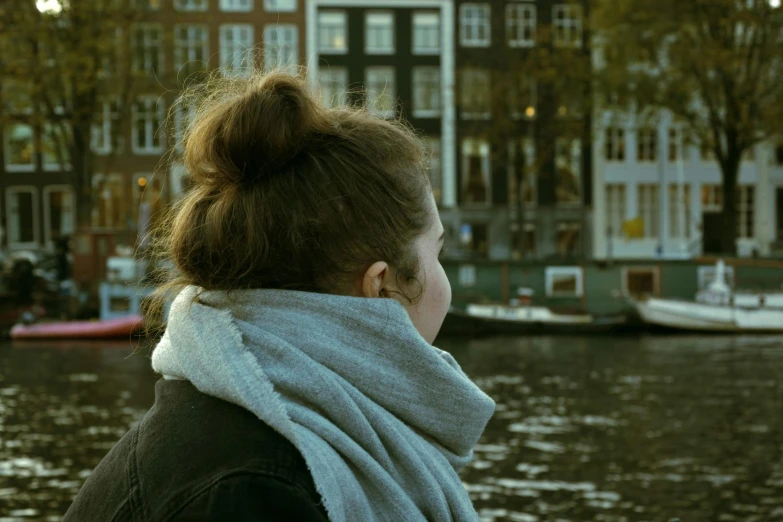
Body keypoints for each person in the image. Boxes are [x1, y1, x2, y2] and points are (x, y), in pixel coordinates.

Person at [62, 72, 495, 522]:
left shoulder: (239, 433)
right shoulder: (262, 492)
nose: (446, 280)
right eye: (437, 252)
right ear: (381, 286)